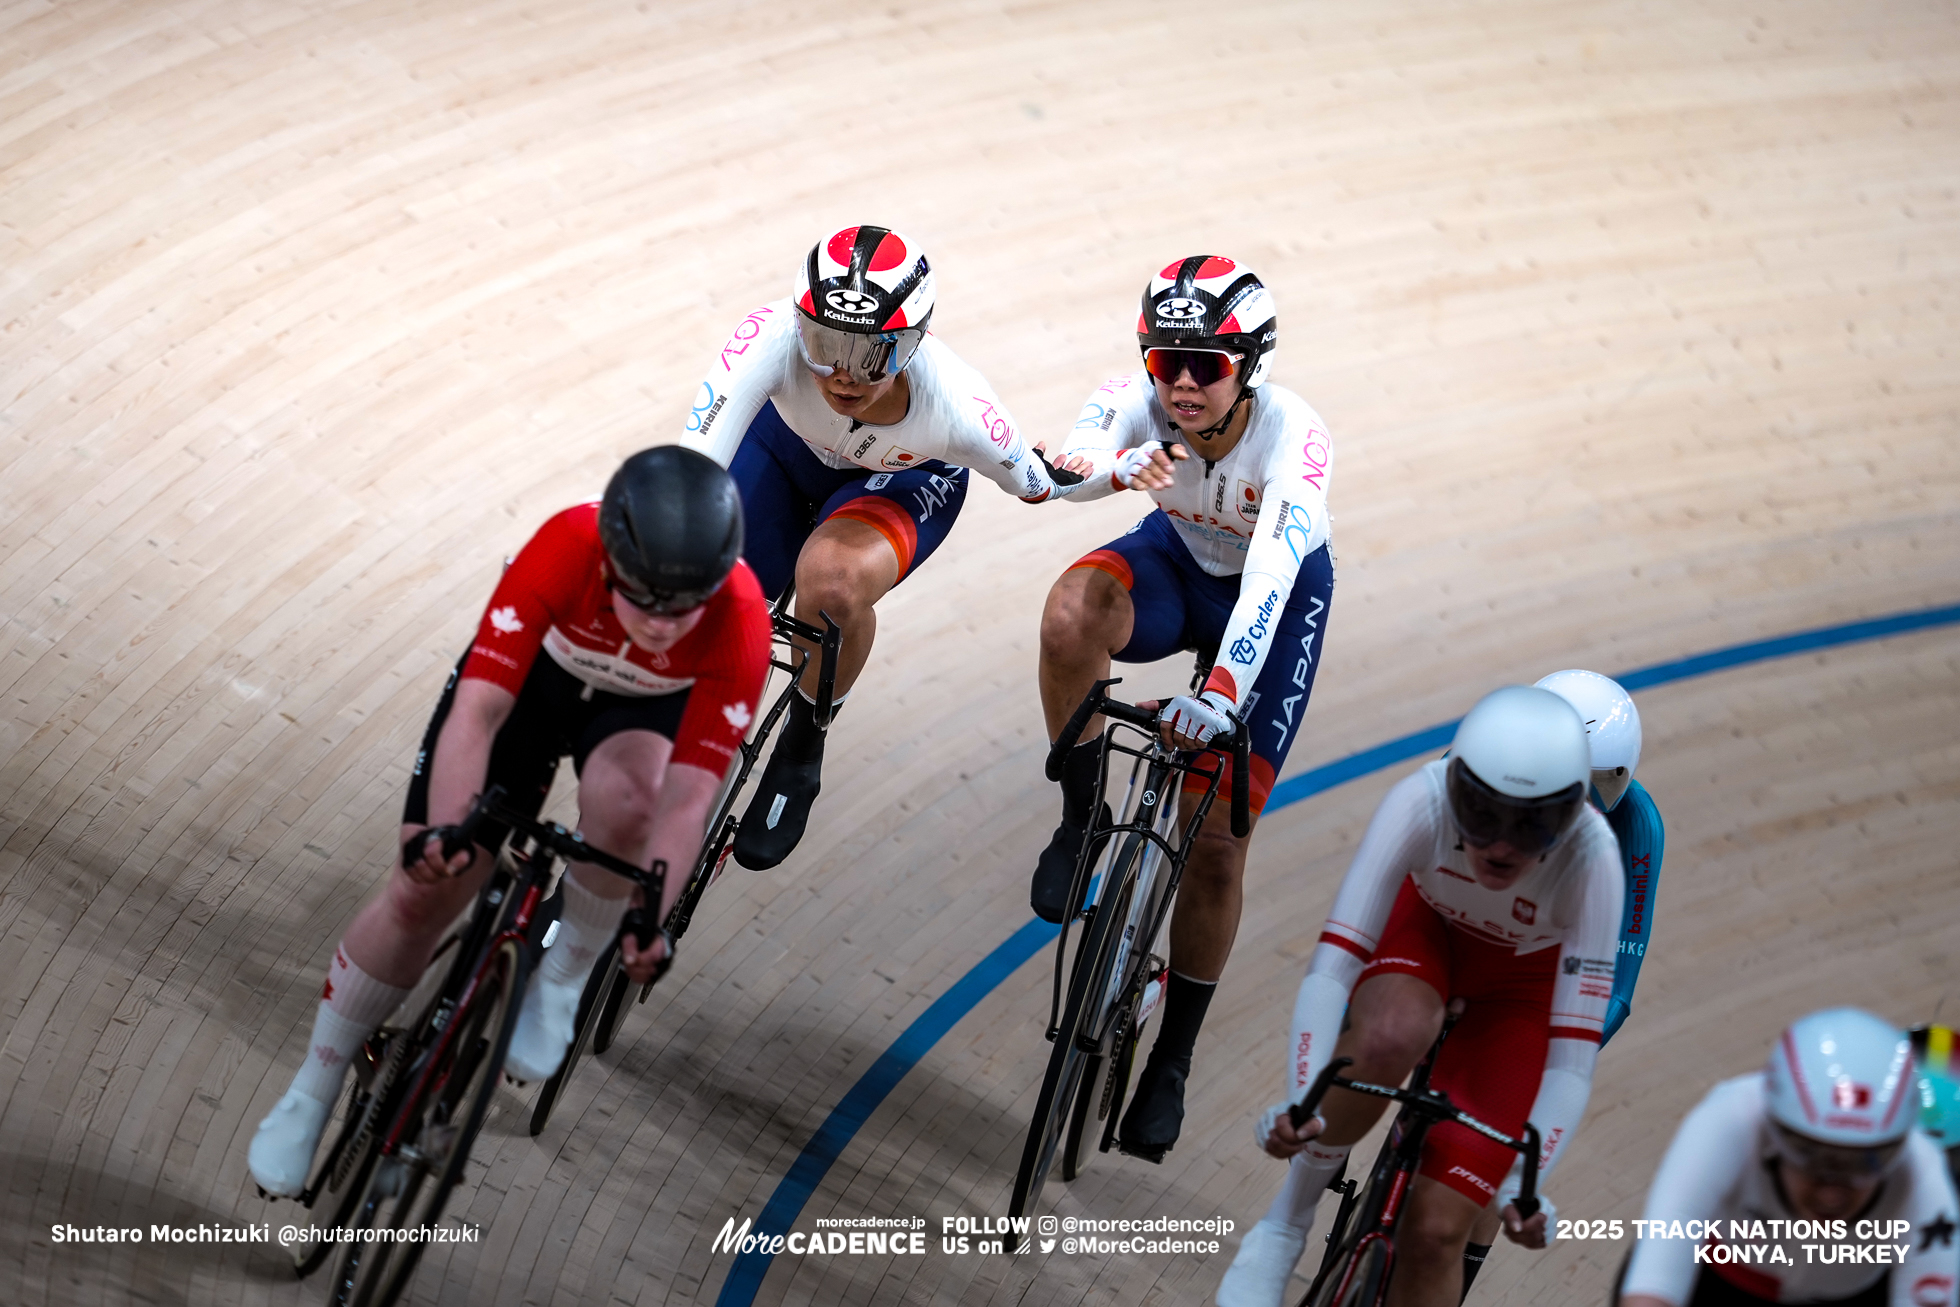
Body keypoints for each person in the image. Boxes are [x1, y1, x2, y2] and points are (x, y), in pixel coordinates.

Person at [247, 447, 771, 1198]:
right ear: (611, 560)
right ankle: (314, 1084)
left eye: (682, 604)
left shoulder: (741, 619)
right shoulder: (565, 546)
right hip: (537, 683)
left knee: (632, 805)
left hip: (640, 714)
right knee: (425, 887)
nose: (660, 622)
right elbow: (480, 711)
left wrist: (650, 916)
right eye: (643, 597)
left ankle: (563, 969)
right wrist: (445, 835)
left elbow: (688, 797)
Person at [1032, 255, 1337, 1163]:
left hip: (1272, 605)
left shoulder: (1294, 436)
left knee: (1216, 842)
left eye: (1207, 364)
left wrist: (1220, 692)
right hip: (1177, 562)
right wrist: (1116, 468)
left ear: (1252, 365)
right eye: (1167, 361)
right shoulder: (1142, 397)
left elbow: (1273, 580)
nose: (1183, 383)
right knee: (1066, 616)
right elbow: (1065, 470)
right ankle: (1081, 817)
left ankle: (1171, 1055)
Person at [680, 224, 1087, 871]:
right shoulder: (766, 337)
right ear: (798, 325)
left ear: (913, 343)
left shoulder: (960, 407)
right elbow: (689, 471)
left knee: (832, 582)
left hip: (901, 479)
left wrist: (1092, 469)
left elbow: (1036, 483)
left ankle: (804, 738)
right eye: (823, 344)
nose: (843, 373)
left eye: (872, 354)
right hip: (782, 453)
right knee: (697, 574)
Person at [1217, 686, 1624, 1307]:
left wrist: (1523, 1182)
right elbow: (1333, 968)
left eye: (1532, 823)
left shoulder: (1595, 860)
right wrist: (1301, 1100)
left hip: (1517, 992)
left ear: (1571, 817)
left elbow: (1573, 1058)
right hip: (1427, 933)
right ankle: (1284, 1223)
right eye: (1482, 815)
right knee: (1392, 1033)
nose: (1501, 846)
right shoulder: (1420, 799)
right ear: (1453, 787)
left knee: (1436, 1234)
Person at [1458, 668, 1667, 1296]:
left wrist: (1559, 1050)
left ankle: (1457, 1278)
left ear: (1620, 781)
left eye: (1596, 787)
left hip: (1545, 967)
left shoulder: (1635, 829)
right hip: (1468, 926)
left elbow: (1619, 981)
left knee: (1499, 1155)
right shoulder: (1474, 767)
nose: (1575, 806)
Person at [1617, 1007, 1959, 1307]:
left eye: (1866, 1162)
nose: (1831, 1194)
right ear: (1774, 1129)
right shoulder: (1729, 1119)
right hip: (1717, 1285)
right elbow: (1660, 1266)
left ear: (1901, 1146)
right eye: (1811, 1156)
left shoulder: (1924, 1177)